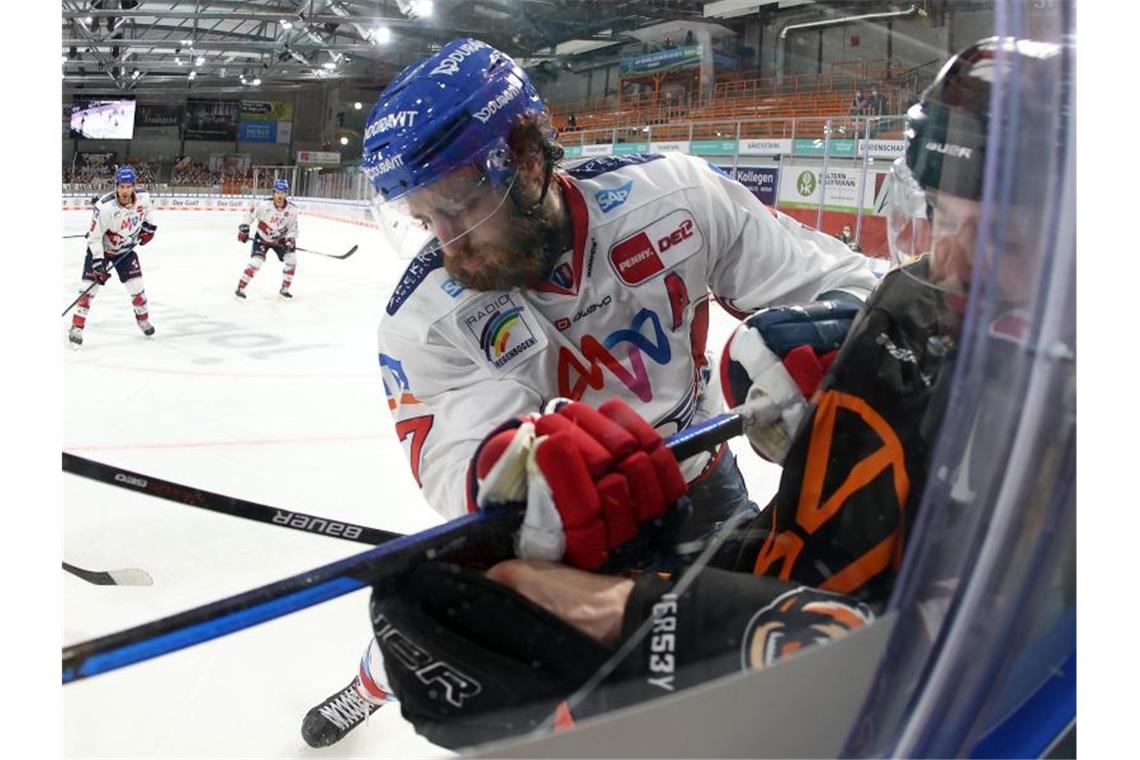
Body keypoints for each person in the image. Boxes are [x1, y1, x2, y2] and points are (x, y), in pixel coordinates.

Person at [311, 36, 1067, 752]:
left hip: (699, 483)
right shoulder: (423, 317)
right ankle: (365, 685)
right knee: (443, 631)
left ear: (527, 159)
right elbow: (454, 454)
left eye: (459, 209)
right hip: (571, 520)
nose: (447, 242)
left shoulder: (672, 196)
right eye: (423, 220)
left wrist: (832, 335)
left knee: (712, 684)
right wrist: (518, 468)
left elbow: (845, 282)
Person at [68, 166, 158, 348]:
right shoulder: (104, 207)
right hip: (101, 250)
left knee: (138, 291)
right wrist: (99, 264)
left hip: (125, 251)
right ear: (115, 186)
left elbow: (148, 216)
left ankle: (143, 320)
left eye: (128, 186)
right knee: (87, 292)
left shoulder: (144, 198)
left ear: (134, 186)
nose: (125, 190)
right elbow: (94, 238)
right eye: (121, 186)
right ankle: (76, 327)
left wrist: (149, 230)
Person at [234, 179, 299, 299]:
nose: (280, 195)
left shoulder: (292, 210)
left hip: (280, 240)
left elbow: (293, 228)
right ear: (273, 193)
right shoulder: (264, 205)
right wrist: (244, 228)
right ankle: (240, 288)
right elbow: (249, 215)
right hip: (262, 238)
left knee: (292, 261)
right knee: (256, 262)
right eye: (277, 192)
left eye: (283, 192)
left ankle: (284, 290)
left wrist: (290, 239)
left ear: (286, 193)